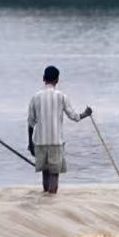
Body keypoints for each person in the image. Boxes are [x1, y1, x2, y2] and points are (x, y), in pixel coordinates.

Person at [27, 66, 92, 194]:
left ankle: (45, 202)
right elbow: (74, 117)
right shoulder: (61, 96)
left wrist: (30, 143)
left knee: (45, 174)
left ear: (43, 78)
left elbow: (30, 122)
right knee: (54, 175)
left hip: (39, 142)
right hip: (56, 142)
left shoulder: (35, 97)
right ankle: (51, 204)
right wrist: (86, 113)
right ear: (57, 80)